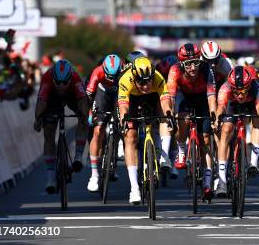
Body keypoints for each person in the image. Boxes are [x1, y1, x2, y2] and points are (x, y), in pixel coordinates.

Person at [118, 56, 173, 204]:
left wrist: (168, 114)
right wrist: (124, 119)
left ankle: (164, 156)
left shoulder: (157, 77)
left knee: (165, 116)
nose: (145, 85)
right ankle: (134, 188)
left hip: (153, 98)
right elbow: (123, 106)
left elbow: (165, 100)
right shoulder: (125, 79)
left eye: (148, 80)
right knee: (130, 136)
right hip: (132, 101)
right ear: (134, 77)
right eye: (141, 82)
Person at [167, 43, 217, 199]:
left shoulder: (206, 70)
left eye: (196, 62)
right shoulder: (175, 71)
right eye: (188, 64)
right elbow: (171, 97)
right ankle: (182, 151)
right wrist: (171, 116)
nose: (193, 67)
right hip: (184, 98)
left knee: (206, 140)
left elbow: (211, 96)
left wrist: (214, 115)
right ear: (182, 64)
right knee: (182, 119)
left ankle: (208, 183)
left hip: (202, 99)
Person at [33, 60, 89, 193]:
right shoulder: (47, 77)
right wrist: (38, 120)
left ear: (70, 77)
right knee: (49, 133)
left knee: (84, 118)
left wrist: (84, 117)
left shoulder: (75, 78)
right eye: (58, 82)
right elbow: (41, 102)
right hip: (52, 99)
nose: (61, 86)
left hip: (72, 96)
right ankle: (51, 177)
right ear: (53, 78)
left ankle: (78, 156)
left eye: (64, 82)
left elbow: (82, 101)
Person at [214, 66, 259, 197]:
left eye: (243, 91)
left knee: (258, 121)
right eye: (236, 91)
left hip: (252, 104)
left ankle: (253, 163)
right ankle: (221, 181)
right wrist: (217, 120)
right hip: (231, 106)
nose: (239, 95)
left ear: (248, 87)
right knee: (226, 130)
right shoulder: (225, 88)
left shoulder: (255, 86)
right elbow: (221, 107)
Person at [85, 54, 122, 192]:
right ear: (104, 69)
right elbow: (89, 95)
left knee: (120, 122)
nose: (111, 79)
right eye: (109, 76)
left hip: (118, 92)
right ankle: (94, 175)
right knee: (98, 130)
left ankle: (116, 151)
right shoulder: (98, 71)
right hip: (102, 93)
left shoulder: (124, 71)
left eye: (114, 76)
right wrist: (90, 113)